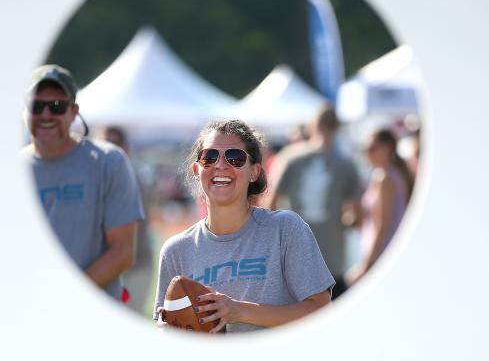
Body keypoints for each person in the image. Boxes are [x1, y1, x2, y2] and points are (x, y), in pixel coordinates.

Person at [153, 119, 334, 333]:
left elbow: (322, 310)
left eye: (235, 158)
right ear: (196, 169)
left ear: (254, 172)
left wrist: (240, 311)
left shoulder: (285, 229)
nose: (220, 165)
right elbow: (165, 331)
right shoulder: (176, 251)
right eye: (209, 157)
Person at [20, 64, 145, 301]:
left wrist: (67, 296)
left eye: (56, 106)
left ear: (74, 111)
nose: (46, 115)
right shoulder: (12, 171)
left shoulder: (108, 161)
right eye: (37, 106)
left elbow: (123, 252)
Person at [266, 105, 362, 300]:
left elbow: (270, 204)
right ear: (337, 127)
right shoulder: (346, 164)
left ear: (311, 127)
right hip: (331, 260)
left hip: (293, 259)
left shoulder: (290, 157)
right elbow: (356, 216)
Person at [345, 128, 413, 285]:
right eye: (364, 149)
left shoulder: (384, 177)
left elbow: (383, 225)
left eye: (371, 148)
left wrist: (365, 265)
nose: (367, 153)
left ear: (388, 148)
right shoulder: (391, 174)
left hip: (382, 255)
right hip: (386, 253)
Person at [101, 126, 154, 314]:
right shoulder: (96, 178)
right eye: (105, 144)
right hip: (105, 266)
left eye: (114, 144)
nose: (109, 150)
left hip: (136, 263)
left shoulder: (134, 178)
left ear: (125, 147)